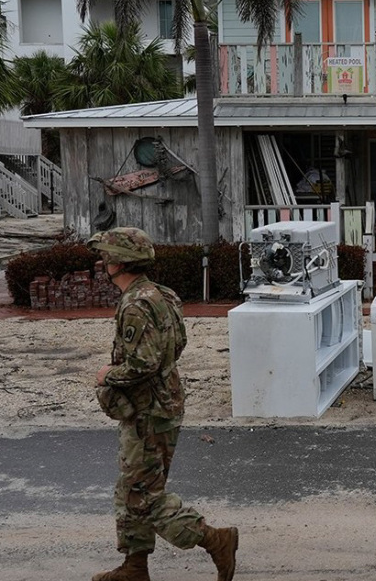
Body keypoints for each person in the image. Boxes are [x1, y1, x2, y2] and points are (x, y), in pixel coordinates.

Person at [88, 227, 239, 581]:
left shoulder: (137, 304)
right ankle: (135, 567)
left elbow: (145, 364)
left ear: (120, 261)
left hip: (148, 412)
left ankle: (215, 539)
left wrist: (107, 375)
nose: (102, 261)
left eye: (107, 255)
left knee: (145, 498)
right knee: (131, 490)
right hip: (159, 404)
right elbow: (177, 346)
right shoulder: (161, 295)